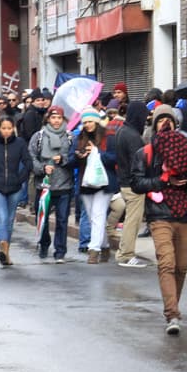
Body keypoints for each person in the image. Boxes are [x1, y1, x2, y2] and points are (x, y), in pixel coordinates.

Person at [142, 104, 187, 334]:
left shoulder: (186, 149)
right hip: (160, 214)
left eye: (168, 120)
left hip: (184, 214)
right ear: (154, 125)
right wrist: (163, 181)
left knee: (181, 266)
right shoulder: (147, 152)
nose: (165, 124)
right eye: (160, 120)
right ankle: (172, 314)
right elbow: (137, 182)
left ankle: (173, 307)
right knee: (167, 263)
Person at [0, 115, 32, 266]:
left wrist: (20, 178)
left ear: (13, 128)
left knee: (9, 219)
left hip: (15, 187)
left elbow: (28, 162)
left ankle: (5, 253)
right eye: (4, 128)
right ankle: (3, 246)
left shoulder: (20, 143)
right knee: (2, 217)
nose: (6, 131)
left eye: (9, 128)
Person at [72, 109, 118, 264]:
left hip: (104, 182)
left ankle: (94, 250)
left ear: (97, 122)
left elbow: (114, 158)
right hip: (86, 182)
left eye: (90, 121)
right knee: (93, 218)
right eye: (85, 122)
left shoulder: (109, 137)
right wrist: (79, 156)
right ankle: (104, 246)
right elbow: (72, 160)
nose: (87, 125)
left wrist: (97, 152)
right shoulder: (79, 138)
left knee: (98, 215)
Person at [107, 101, 149, 268]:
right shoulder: (132, 136)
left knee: (131, 219)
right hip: (133, 185)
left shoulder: (122, 131)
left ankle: (124, 252)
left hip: (124, 181)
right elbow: (137, 162)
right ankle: (126, 255)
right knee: (133, 221)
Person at [31, 106, 74, 263]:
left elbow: (74, 157)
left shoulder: (69, 137)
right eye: (53, 117)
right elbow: (32, 157)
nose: (56, 121)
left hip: (64, 185)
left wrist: (63, 160)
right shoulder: (39, 136)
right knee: (42, 219)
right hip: (44, 186)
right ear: (48, 119)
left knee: (62, 220)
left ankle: (60, 251)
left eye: (59, 118)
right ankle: (44, 243)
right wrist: (42, 168)